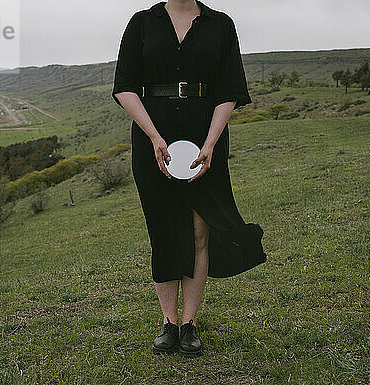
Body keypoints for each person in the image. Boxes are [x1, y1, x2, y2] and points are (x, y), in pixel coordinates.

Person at [112, 0, 267, 357]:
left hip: (205, 136)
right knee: (163, 228)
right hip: (154, 135)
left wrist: (211, 142)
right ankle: (168, 322)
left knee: (200, 229)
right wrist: (153, 136)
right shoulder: (142, 23)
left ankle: (189, 324)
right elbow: (125, 86)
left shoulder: (220, 24)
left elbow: (229, 90)